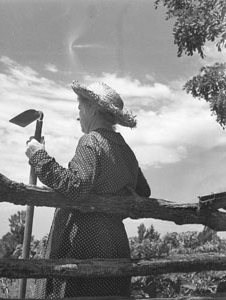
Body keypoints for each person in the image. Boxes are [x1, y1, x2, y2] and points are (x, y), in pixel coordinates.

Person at [25, 80, 151, 298]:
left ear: (92, 108)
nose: (78, 115)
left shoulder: (91, 141)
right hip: (115, 245)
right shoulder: (126, 151)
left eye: (80, 108)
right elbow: (144, 191)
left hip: (85, 244)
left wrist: (38, 156)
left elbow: (76, 187)